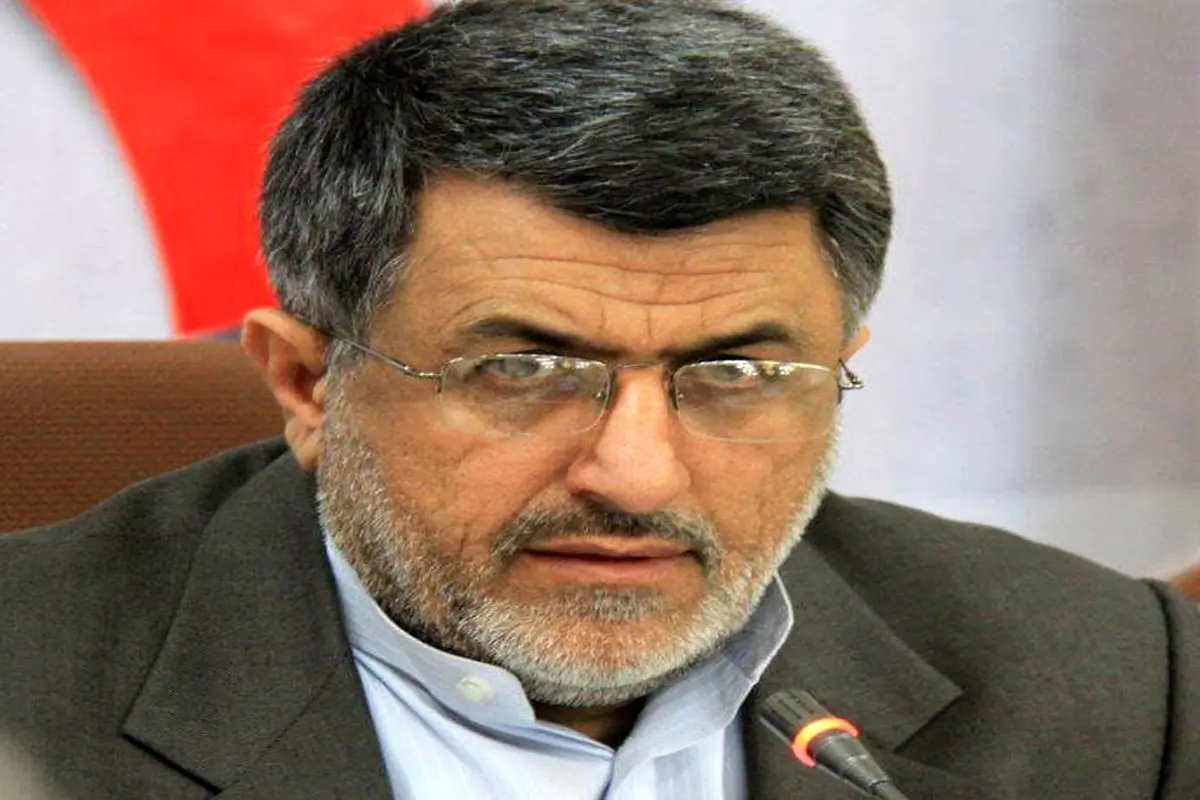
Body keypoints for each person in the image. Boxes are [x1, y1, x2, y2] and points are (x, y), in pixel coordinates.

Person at [1, 1, 1197, 797]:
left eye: (735, 374)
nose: (637, 473)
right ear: (308, 382)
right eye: (524, 371)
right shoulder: (29, 691)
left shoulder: (1118, 686)